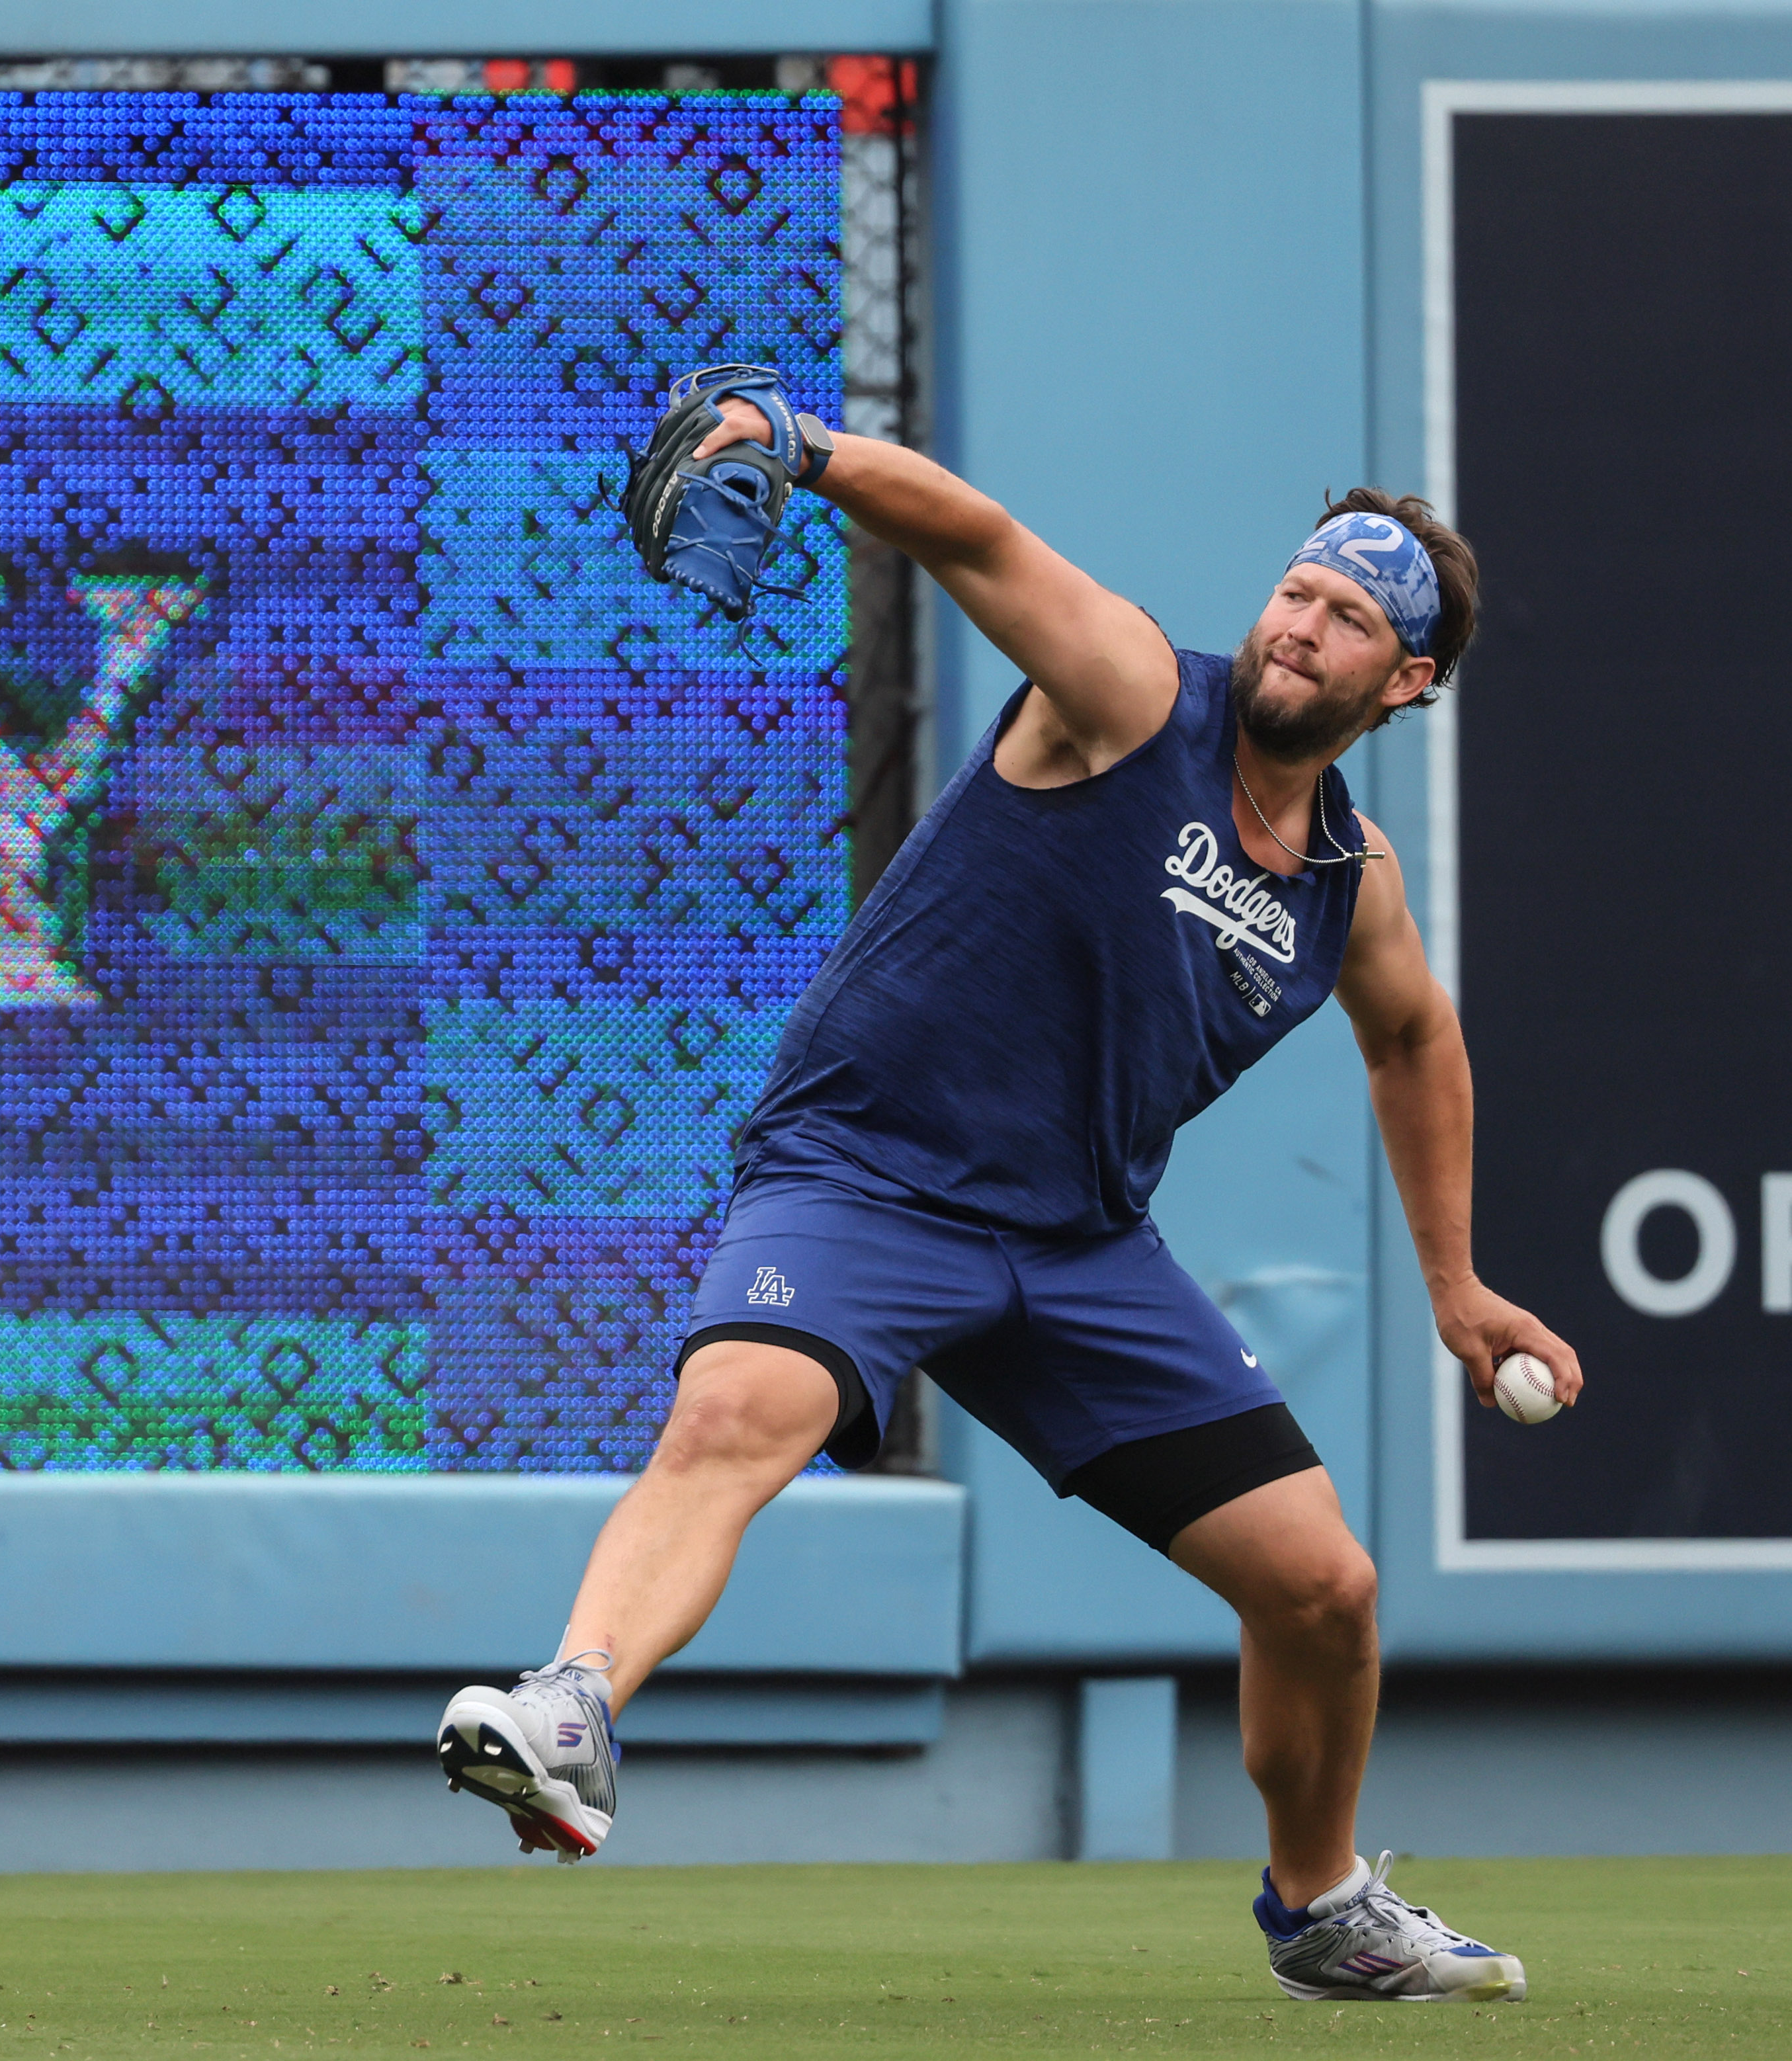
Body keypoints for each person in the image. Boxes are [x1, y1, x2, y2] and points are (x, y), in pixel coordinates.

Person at [436, 383, 1584, 2006]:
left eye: (1349, 621)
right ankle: (573, 1701)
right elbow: (975, 532)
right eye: (1300, 590)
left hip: (1076, 1246)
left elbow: (1415, 1041)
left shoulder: (1347, 882)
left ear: (1408, 680)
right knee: (735, 1414)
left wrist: (1458, 1287)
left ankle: (1321, 1901)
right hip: (868, 1174)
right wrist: (798, 442)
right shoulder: (1129, 695)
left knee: (1323, 1587)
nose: (1301, 626)